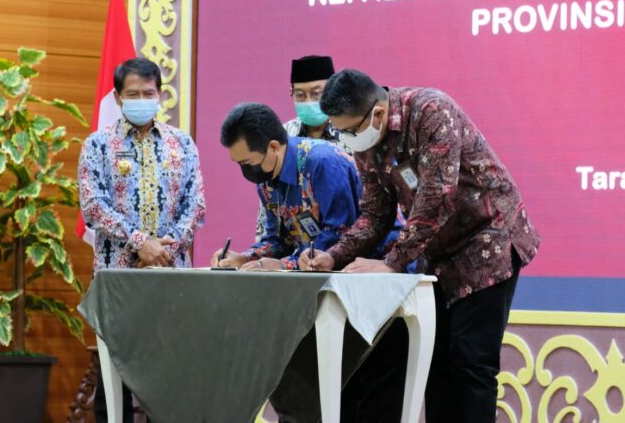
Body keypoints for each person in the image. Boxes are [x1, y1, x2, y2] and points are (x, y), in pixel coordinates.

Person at [300, 69, 541, 422]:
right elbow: (375, 215)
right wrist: (333, 256)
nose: (347, 140)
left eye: (350, 130)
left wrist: (392, 263)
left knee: (472, 361)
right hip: (438, 251)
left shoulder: (431, 111)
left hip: (487, 238)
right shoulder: (366, 144)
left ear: (377, 113)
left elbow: (437, 197)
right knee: (436, 362)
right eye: (341, 133)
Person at [78, 57, 206, 422]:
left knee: (169, 374)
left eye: (148, 93)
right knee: (114, 376)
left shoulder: (182, 144)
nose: (141, 100)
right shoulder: (98, 145)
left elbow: (196, 205)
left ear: (160, 94)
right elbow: (93, 206)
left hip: (172, 277)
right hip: (118, 278)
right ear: (118, 98)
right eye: (132, 94)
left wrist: (165, 248)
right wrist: (140, 243)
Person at [212, 102, 360, 271]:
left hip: (362, 269)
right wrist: (245, 258)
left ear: (274, 147)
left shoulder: (323, 163)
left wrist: (284, 264)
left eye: (247, 162)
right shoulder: (266, 177)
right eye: (238, 163)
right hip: (314, 271)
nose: (246, 170)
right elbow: (278, 240)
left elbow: (339, 235)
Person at [254, 55, 351, 241]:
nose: (308, 101)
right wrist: (260, 251)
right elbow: (269, 201)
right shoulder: (282, 137)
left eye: (316, 94)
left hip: (347, 241)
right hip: (294, 247)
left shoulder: (351, 132)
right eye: (300, 95)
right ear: (291, 93)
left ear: (333, 92)